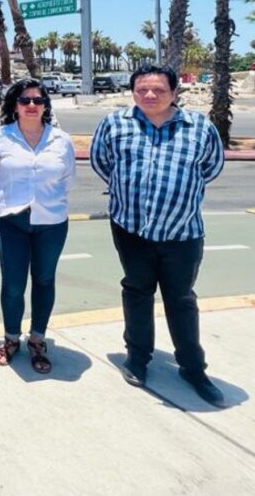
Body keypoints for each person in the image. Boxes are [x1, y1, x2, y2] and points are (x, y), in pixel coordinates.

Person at [91, 64, 226, 407]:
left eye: (158, 90)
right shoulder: (115, 124)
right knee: (136, 292)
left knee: (181, 300)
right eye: (142, 90)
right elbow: (102, 163)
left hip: (182, 233)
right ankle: (137, 358)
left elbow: (211, 167)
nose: (149, 96)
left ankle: (193, 368)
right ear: (133, 91)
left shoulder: (199, 128)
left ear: (174, 92)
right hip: (130, 228)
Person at [0, 79, 76, 373]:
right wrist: (14, 199)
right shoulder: (0, 137)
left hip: (51, 222)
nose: (32, 105)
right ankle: (11, 338)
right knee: (12, 284)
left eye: (38, 100)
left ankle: (37, 338)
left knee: (45, 280)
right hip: (13, 220)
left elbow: (67, 179)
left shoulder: (62, 140)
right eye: (25, 101)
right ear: (15, 106)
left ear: (46, 106)